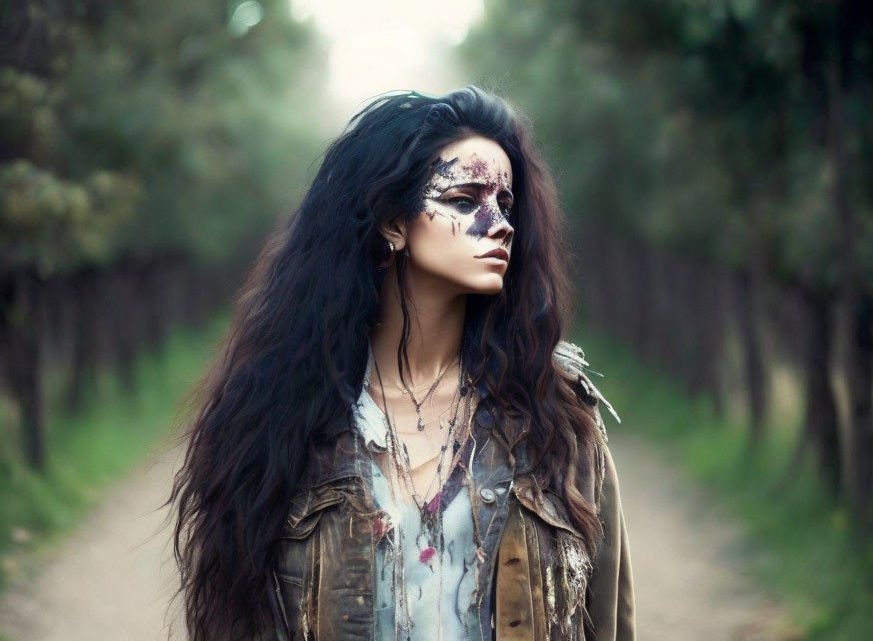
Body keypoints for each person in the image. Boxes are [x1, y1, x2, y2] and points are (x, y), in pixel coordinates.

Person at [168, 86, 635, 641]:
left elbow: (607, 621)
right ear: (394, 223)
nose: (500, 223)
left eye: (505, 205)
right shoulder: (281, 417)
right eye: (465, 200)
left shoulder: (557, 417)